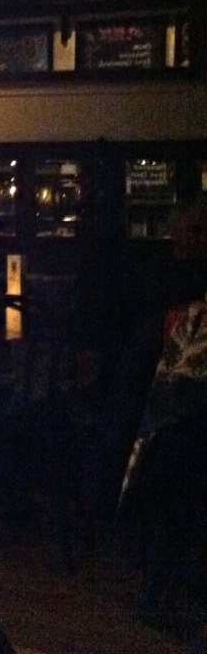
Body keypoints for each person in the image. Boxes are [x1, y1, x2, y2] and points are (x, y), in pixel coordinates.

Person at [119, 197, 207, 639]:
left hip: (163, 413)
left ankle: (163, 592)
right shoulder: (172, 285)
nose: (195, 240)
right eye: (192, 231)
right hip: (168, 416)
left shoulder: (170, 284)